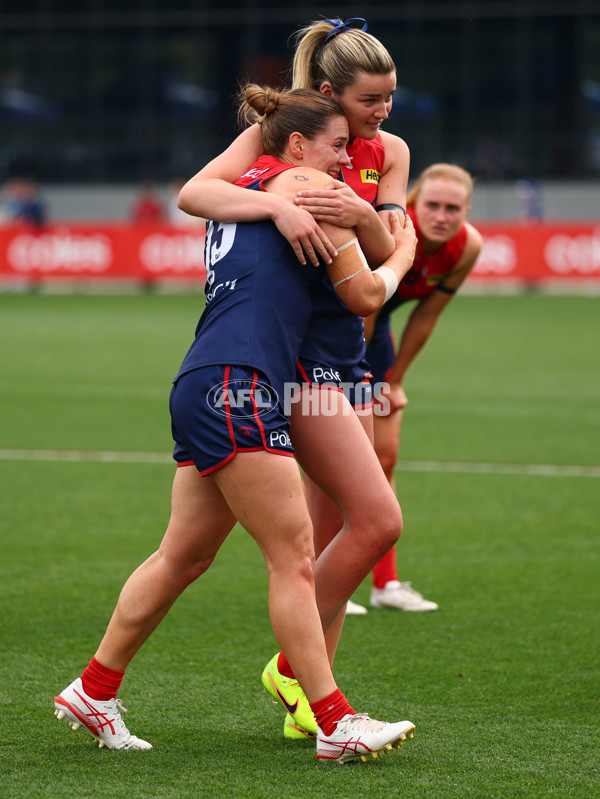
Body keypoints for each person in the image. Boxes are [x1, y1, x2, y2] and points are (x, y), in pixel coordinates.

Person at [53, 84, 417, 764]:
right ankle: (334, 721)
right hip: (240, 382)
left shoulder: (246, 182)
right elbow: (365, 294)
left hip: (210, 379)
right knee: (293, 555)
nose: (348, 160)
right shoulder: (305, 181)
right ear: (300, 146)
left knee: (183, 554)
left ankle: (94, 688)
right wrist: (400, 252)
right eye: (338, 145)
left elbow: (197, 192)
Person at [177, 17, 413, 739]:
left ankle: (301, 683)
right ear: (327, 94)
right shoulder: (289, 133)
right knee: (326, 530)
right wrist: (282, 204)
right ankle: (311, 692)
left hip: (347, 351)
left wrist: (364, 220)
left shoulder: (391, 151)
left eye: (390, 97)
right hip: (297, 359)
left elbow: (390, 241)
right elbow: (198, 192)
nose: (383, 114)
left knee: (354, 521)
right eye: (371, 100)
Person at [344, 163, 481, 615]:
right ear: (415, 204)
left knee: (384, 457)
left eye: (453, 208)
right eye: (433, 206)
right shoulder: (392, 229)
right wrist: (356, 377)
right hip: (341, 331)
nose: (442, 216)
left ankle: (385, 585)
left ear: (467, 211)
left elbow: (425, 317)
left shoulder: (466, 247)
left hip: (377, 330)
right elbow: (359, 308)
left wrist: (394, 379)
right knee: (336, 464)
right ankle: (319, 583)